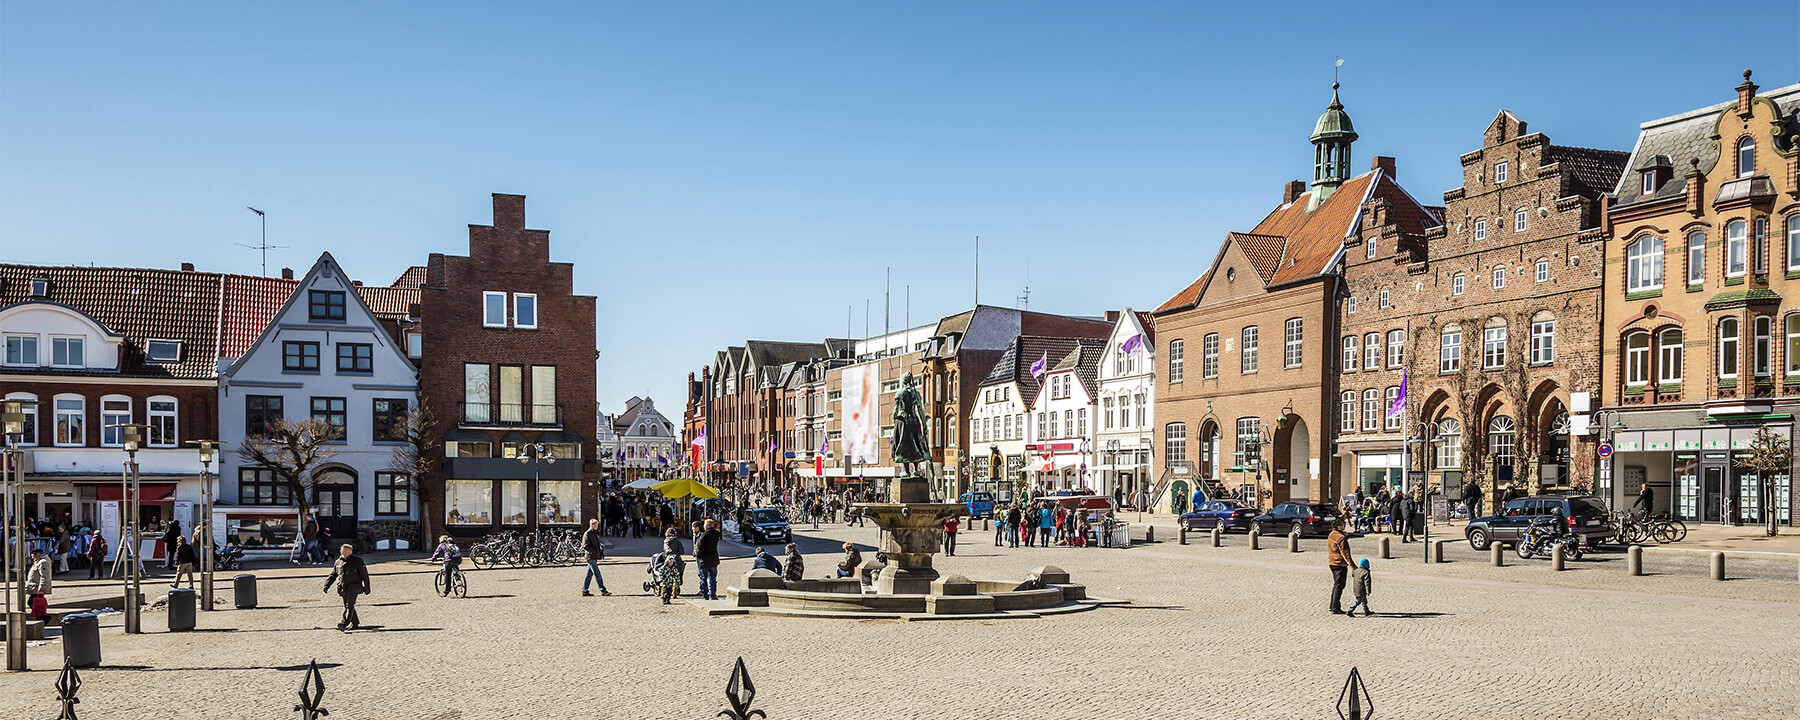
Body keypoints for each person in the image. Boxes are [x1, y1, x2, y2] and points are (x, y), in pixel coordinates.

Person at [322, 543, 370, 631]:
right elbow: (333, 575)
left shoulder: (357, 561)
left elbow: (364, 575)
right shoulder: (338, 562)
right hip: (343, 587)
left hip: (354, 587)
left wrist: (367, 587)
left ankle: (344, 623)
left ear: (349, 552)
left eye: (343, 551)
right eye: (341, 551)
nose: (341, 552)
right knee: (347, 606)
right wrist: (326, 585)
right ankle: (355, 623)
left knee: (349, 605)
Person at [579, 519, 611, 597]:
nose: (597, 526)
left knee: (589, 575)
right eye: (596, 525)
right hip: (590, 556)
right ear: (592, 525)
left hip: (594, 556)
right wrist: (593, 551)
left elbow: (597, 544)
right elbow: (584, 545)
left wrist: (600, 552)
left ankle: (584, 590)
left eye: (597, 525)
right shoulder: (588, 534)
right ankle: (603, 590)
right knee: (597, 574)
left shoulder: (595, 533)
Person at [1326, 519, 1351, 615]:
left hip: (1332, 562)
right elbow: (1345, 553)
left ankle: (1332, 605)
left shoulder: (1332, 534)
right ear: (1339, 526)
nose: (1344, 526)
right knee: (1339, 585)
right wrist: (1352, 566)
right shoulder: (1340, 537)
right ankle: (1335, 607)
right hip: (1339, 563)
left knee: (1336, 584)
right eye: (1343, 525)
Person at [694, 519, 722, 601]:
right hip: (713, 559)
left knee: (704, 579)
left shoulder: (704, 535)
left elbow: (699, 546)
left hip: (704, 560)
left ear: (707, 525)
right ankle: (713, 595)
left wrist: (697, 555)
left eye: (705, 524)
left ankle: (706, 595)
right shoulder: (716, 534)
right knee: (713, 579)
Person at [24, 548, 52, 621]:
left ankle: (43, 618)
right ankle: (41, 618)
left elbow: (45, 575)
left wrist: (42, 586)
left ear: (38, 554)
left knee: (33, 603)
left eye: (33, 555)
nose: (32, 557)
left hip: (37, 587)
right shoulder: (38, 561)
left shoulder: (43, 562)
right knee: (34, 603)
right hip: (35, 587)